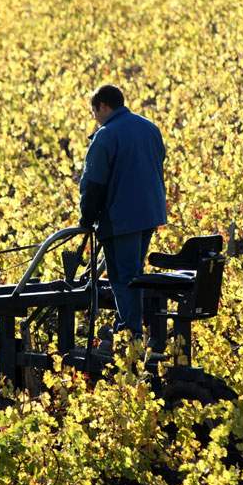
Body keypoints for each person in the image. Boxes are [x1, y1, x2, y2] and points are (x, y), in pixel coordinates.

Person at [78, 85, 167, 345]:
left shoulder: (105, 136)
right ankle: (128, 326)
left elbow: (93, 184)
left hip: (122, 217)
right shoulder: (149, 127)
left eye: (94, 112)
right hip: (150, 213)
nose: (95, 118)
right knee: (134, 270)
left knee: (122, 274)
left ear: (103, 106)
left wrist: (86, 219)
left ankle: (130, 332)